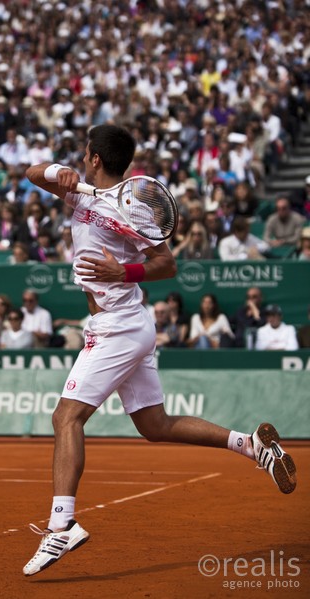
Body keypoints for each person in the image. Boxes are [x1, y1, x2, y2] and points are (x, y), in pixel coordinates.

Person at [22, 124, 297, 577]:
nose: (80, 156)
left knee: (65, 417)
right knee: (155, 425)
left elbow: (167, 264)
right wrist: (58, 170)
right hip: (122, 324)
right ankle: (252, 446)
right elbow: (33, 175)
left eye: (82, 152)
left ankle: (61, 525)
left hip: (120, 327)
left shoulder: (132, 207)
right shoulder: (81, 193)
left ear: (95, 157)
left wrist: (121, 271)